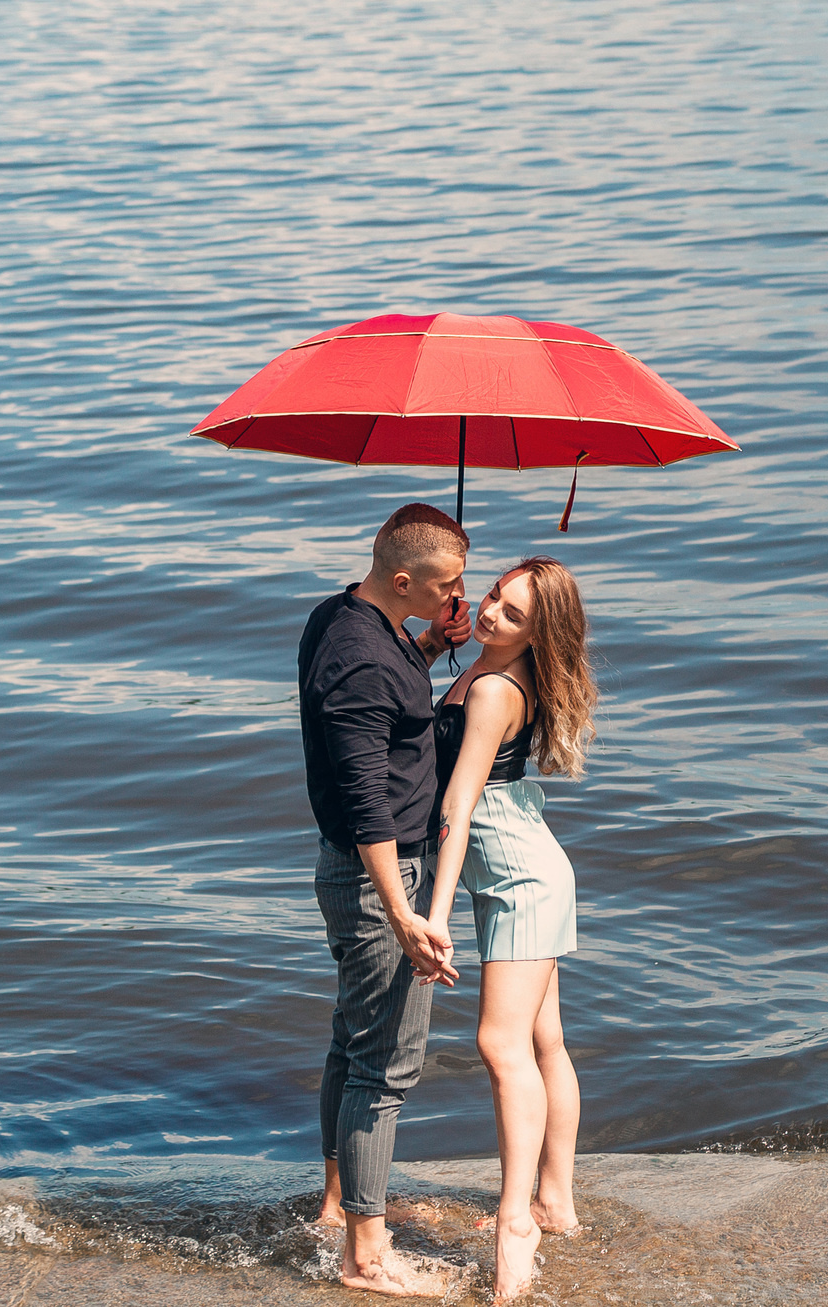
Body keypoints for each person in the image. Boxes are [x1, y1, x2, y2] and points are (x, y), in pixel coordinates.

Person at [300, 503, 475, 1295]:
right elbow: (365, 794)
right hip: (380, 876)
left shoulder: (346, 618)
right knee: (384, 1067)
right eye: (446, 586)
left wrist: (435, 646)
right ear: (403, 579)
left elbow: (388, 711)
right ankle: (366, 1257)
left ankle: (338, 1205)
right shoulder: (363, 658)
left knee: (350, 1041)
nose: (457, 593)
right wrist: (401, 911)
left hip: (353, 870)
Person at [419, 556, 596, 1303]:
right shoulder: (480, 668)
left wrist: (434, 911)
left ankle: (517, 1215)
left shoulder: (492, 688)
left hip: (521, 881)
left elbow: (458, 805)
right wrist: (438, 642)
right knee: (544, 1040)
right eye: (493, 594)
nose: (491, 612)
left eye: (512, 613)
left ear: (537, 635)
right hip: (528, 869)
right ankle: (557, 1198)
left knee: (500, 1042)